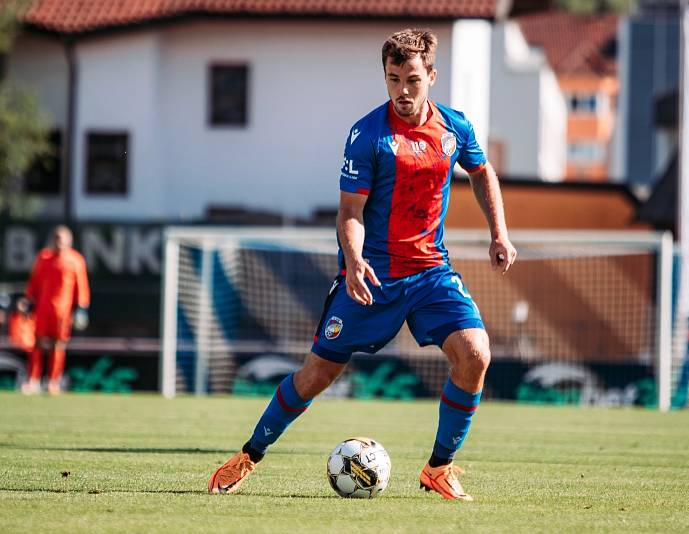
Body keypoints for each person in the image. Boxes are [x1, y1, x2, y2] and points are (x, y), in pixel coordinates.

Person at [209, 28, 516, 501]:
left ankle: (439, 468)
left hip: (432, 272)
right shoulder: (368, 135)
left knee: (476, 354)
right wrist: (353, 263)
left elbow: (481, 171)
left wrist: (499, 232)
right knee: (315, 376)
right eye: (393, 79)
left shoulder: (455, 127)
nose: (403, 91)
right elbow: (350, 213)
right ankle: (249, 453)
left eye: (413, 79)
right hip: (373, 274)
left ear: (431, 76)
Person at [20, 226, 90, 395]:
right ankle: (33, 380)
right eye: (57, 238)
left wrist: (81, 308)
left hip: (63, 312)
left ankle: (53, 382)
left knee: (58, 346)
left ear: (70, 241)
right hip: (43, 309)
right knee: (38, 344)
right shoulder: (43, 257)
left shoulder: (75, 260)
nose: (60, 242)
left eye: (63, 239)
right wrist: (28, 300)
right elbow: (34, 282)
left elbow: (82, 286)